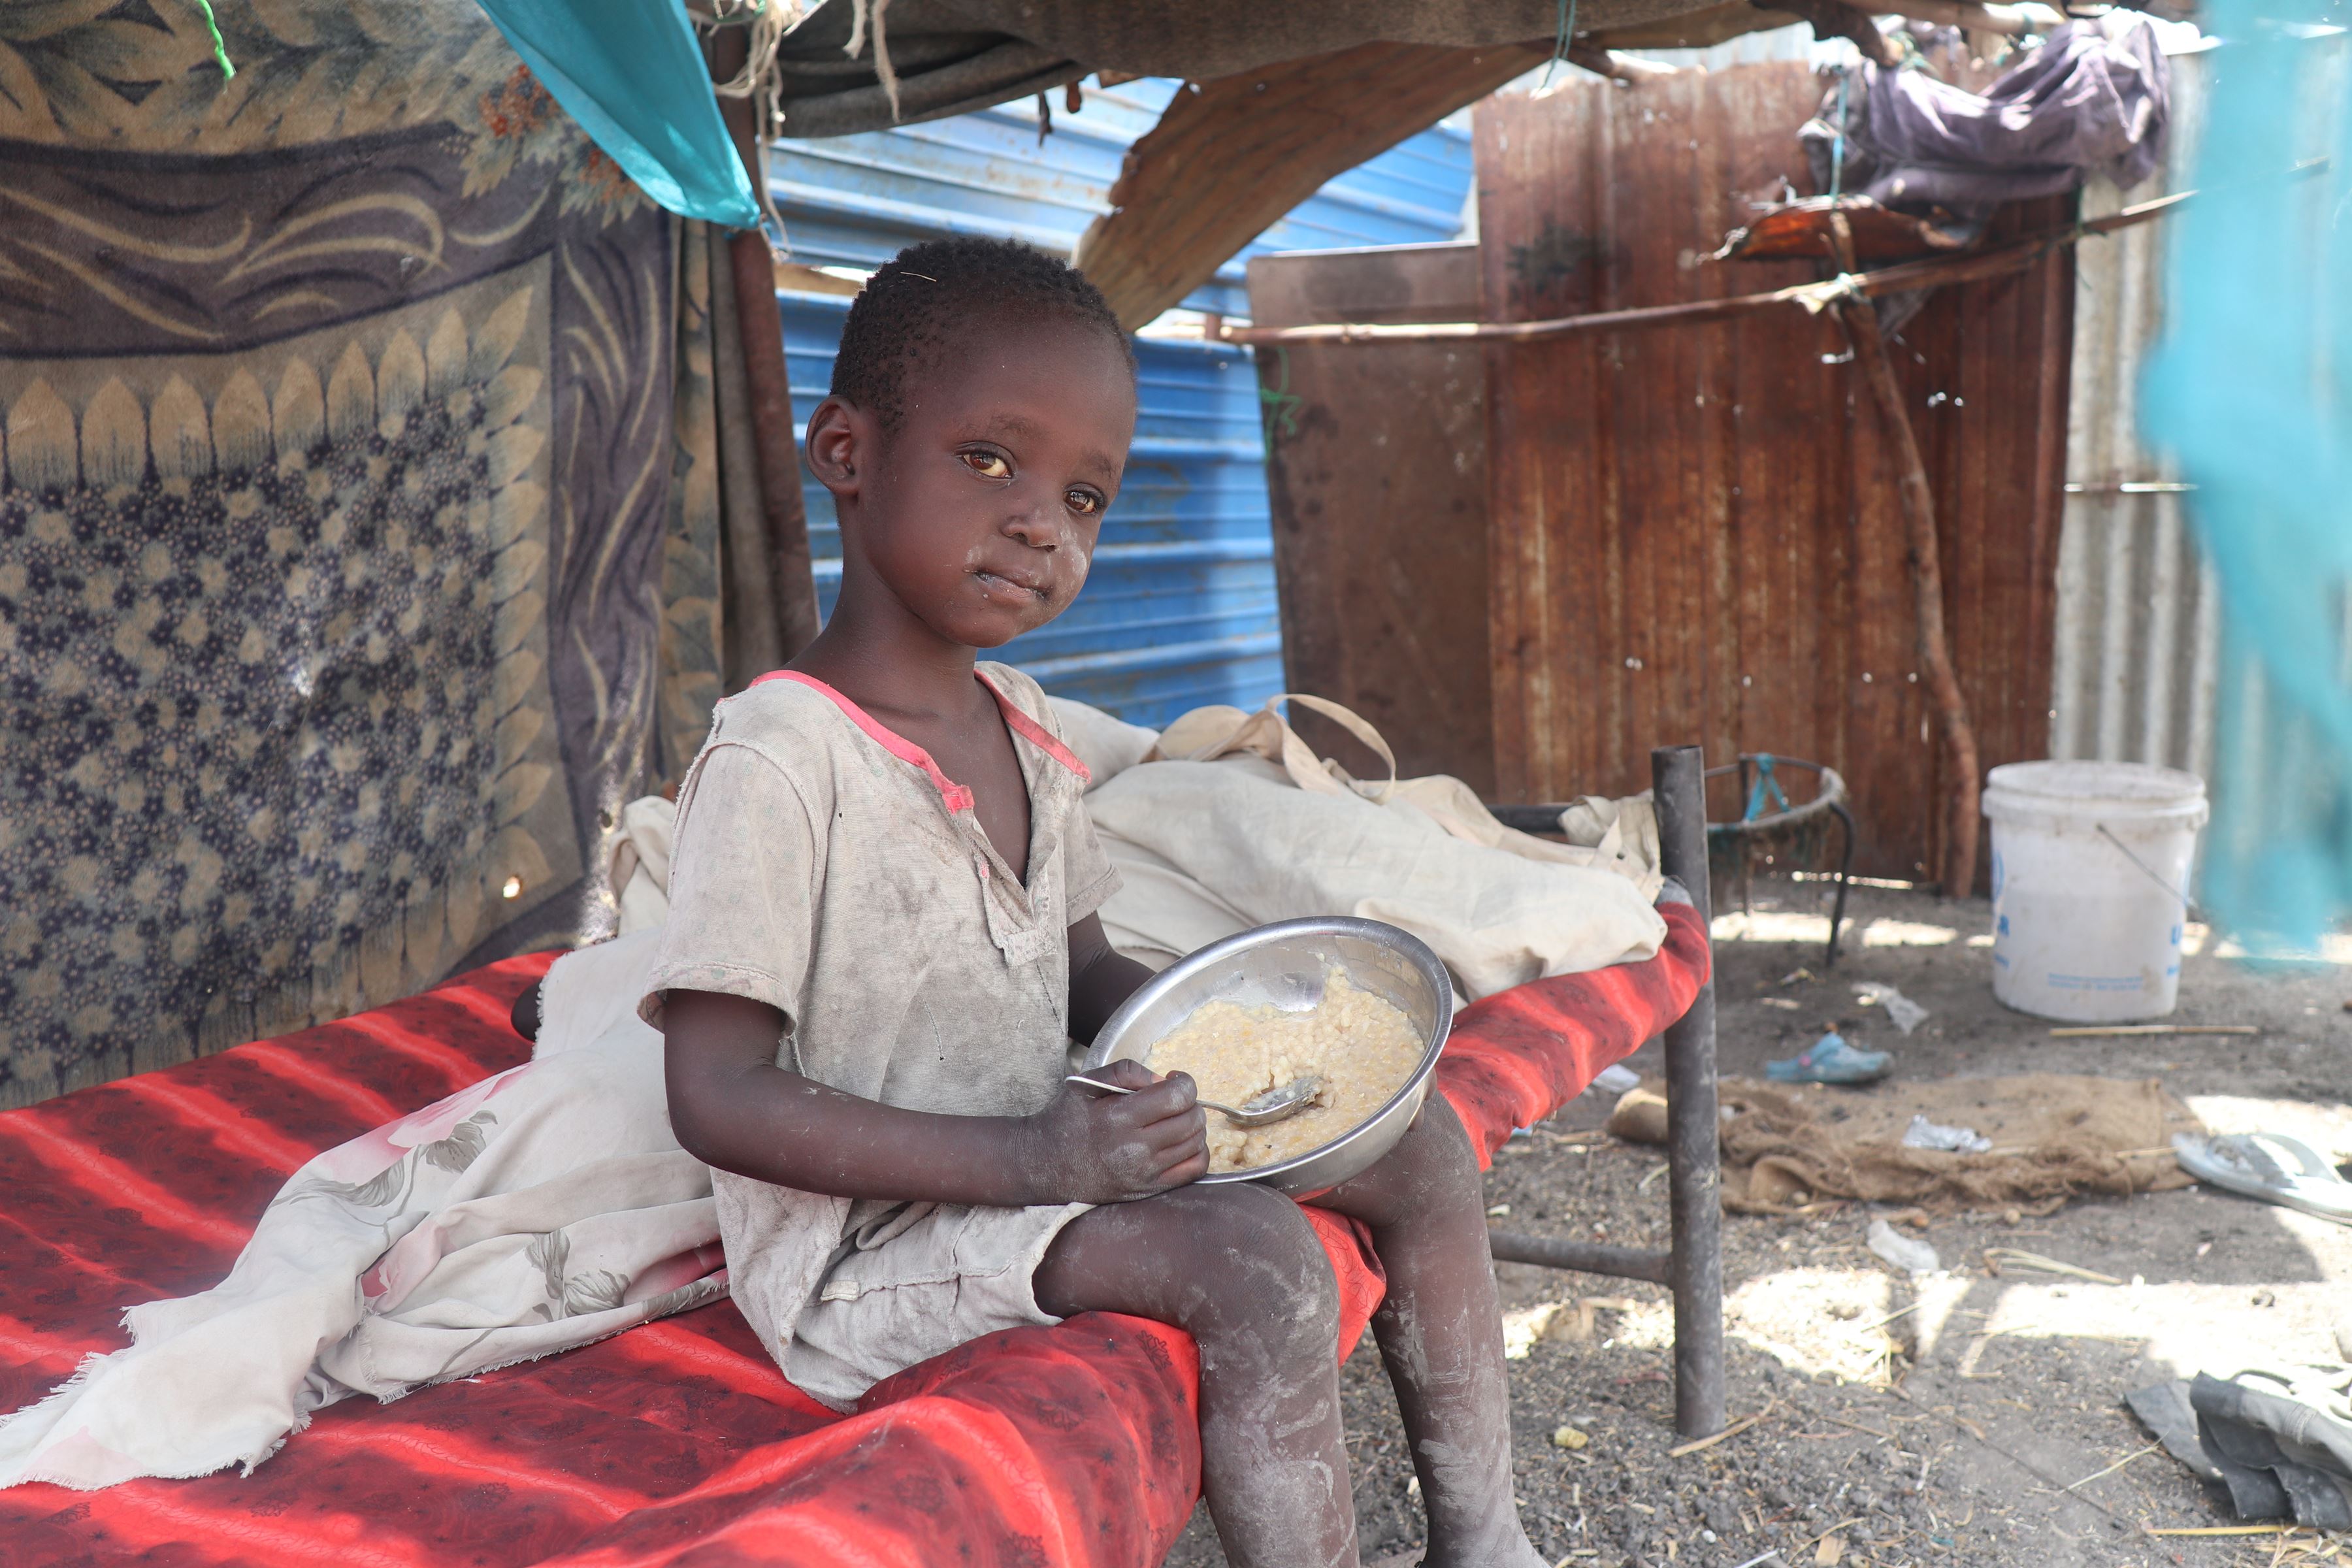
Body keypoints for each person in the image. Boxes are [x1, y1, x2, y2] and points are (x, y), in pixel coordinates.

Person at [647, 236, 1546, 1568]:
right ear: (846, 451)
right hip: (874, 1249)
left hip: (1038, 1160)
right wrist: (1035, 1166)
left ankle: (1488, 1543)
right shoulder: (783, 758)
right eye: (990, 461)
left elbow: (1082, 976)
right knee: (1257, 1261)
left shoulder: (1024, 729)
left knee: (1422, 1152)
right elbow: (714, 1093)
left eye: (1087, 497)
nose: (1041, 524)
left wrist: (1258, 1038)